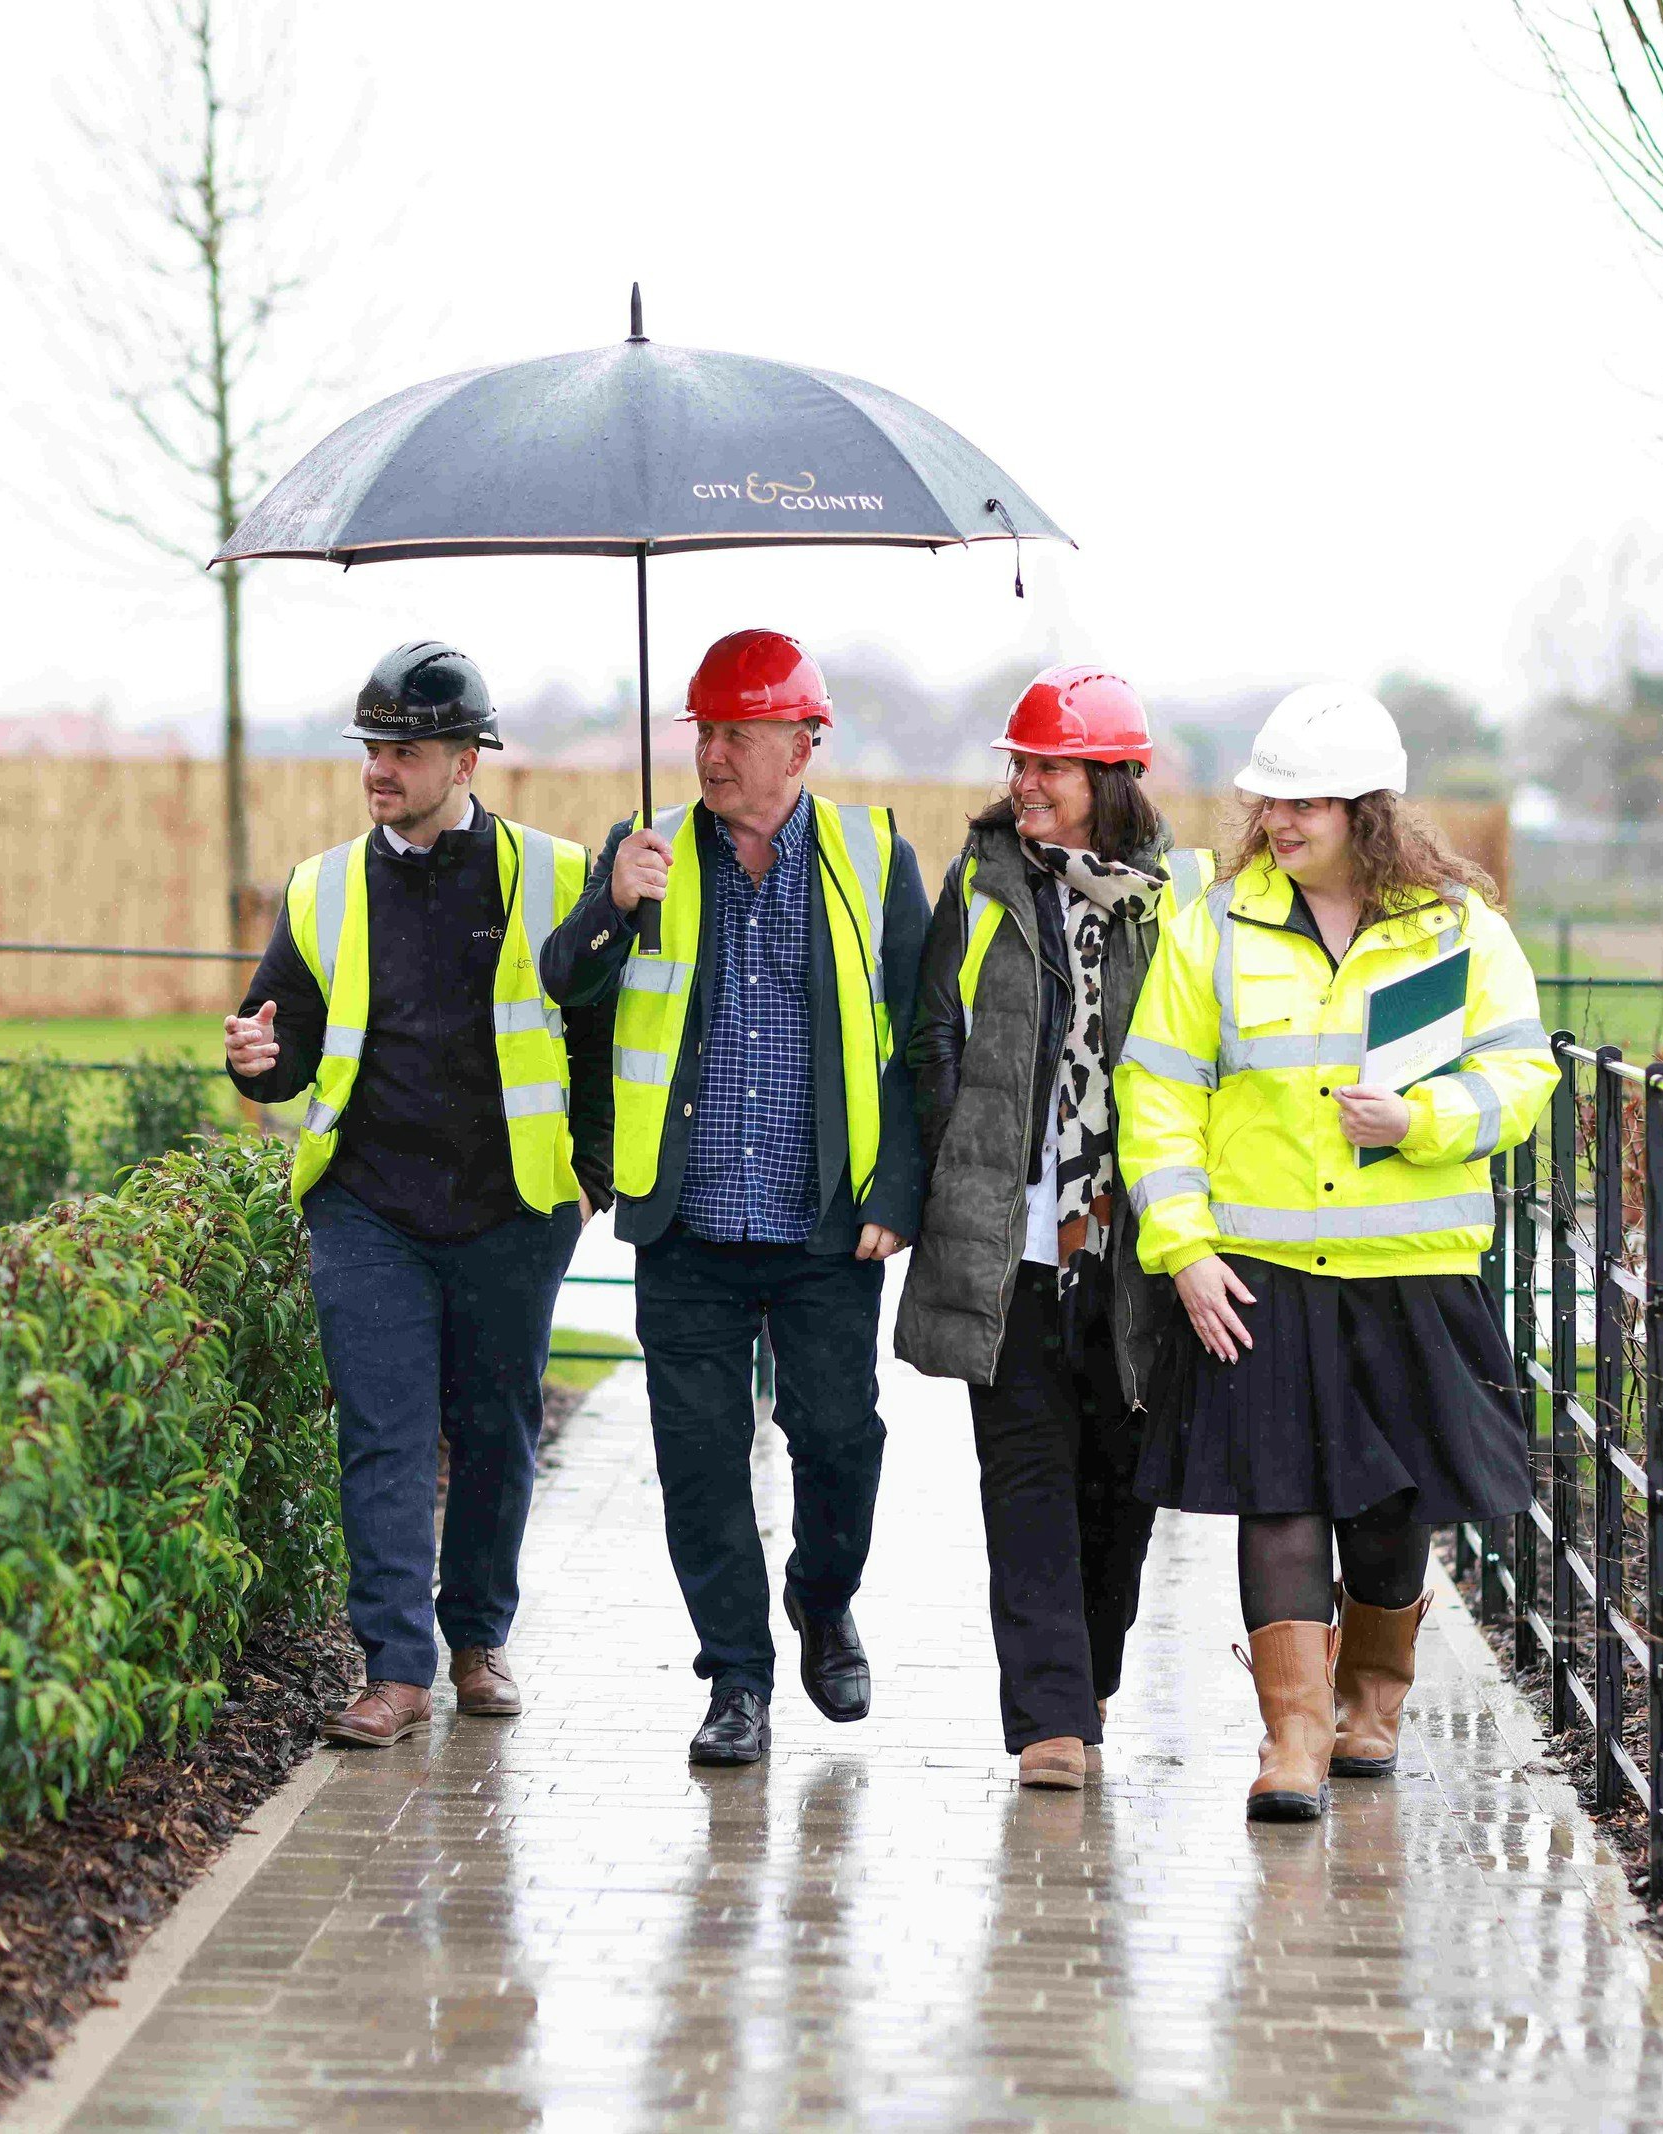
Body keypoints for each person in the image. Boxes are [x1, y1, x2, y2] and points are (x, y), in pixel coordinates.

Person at [1115, 681, 1550, 1822]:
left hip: (1410, 1268)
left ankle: (1371, 1704)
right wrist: (1184, 1247)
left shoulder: (1463, 932)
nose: (1278, 822)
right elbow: (1155, 1091)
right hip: (1257, 1274)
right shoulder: (1209, 923)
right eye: (1268, 801)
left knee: (1393, 1505)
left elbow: (1521, 1076)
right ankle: (1291, 1740)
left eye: (1304, 802)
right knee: (1278, 1497)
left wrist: (1424, 1121)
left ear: (1368, 809)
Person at [539, 627, 929, 1769]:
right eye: (703, 731)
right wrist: (609, 903)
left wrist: (896, 1185)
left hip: (823, 1224)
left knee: (839, 1437)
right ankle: (736, 1681)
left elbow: (920, 1035)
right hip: (687, 1223)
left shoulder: (870, 854)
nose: (712, 754)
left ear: (801, 743)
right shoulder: (645, 849)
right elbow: (567, 981)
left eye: (737, 733)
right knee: (699, 1458)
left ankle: (822, 1594)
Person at [224, 641, 611, 1748]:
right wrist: (256, 1058)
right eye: (372, 747)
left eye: (402, 749)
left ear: (465, 758)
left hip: (511, 1208)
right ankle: (394, 1669)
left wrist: (587, 1175)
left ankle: (477, 1642)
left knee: (495, 1428)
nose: (378, 768)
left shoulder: (556, 875)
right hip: (369, 1206)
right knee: (384, 1432)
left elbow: (597, 1029)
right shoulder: (323, 885)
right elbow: (284, 1038)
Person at [895, 667, 1211, 1792]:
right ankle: (1047, 1720)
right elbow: (930, 1033)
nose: (1024, 784)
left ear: (1108, 779)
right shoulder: (978, 886)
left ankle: (1087, 1676)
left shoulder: (1181, 902)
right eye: (1017, 764)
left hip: (1134, 1253)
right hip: (1010, 1246)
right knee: (1021, 1474)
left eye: (1048, 767)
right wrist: (960, 1162)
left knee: (1118, 1488)